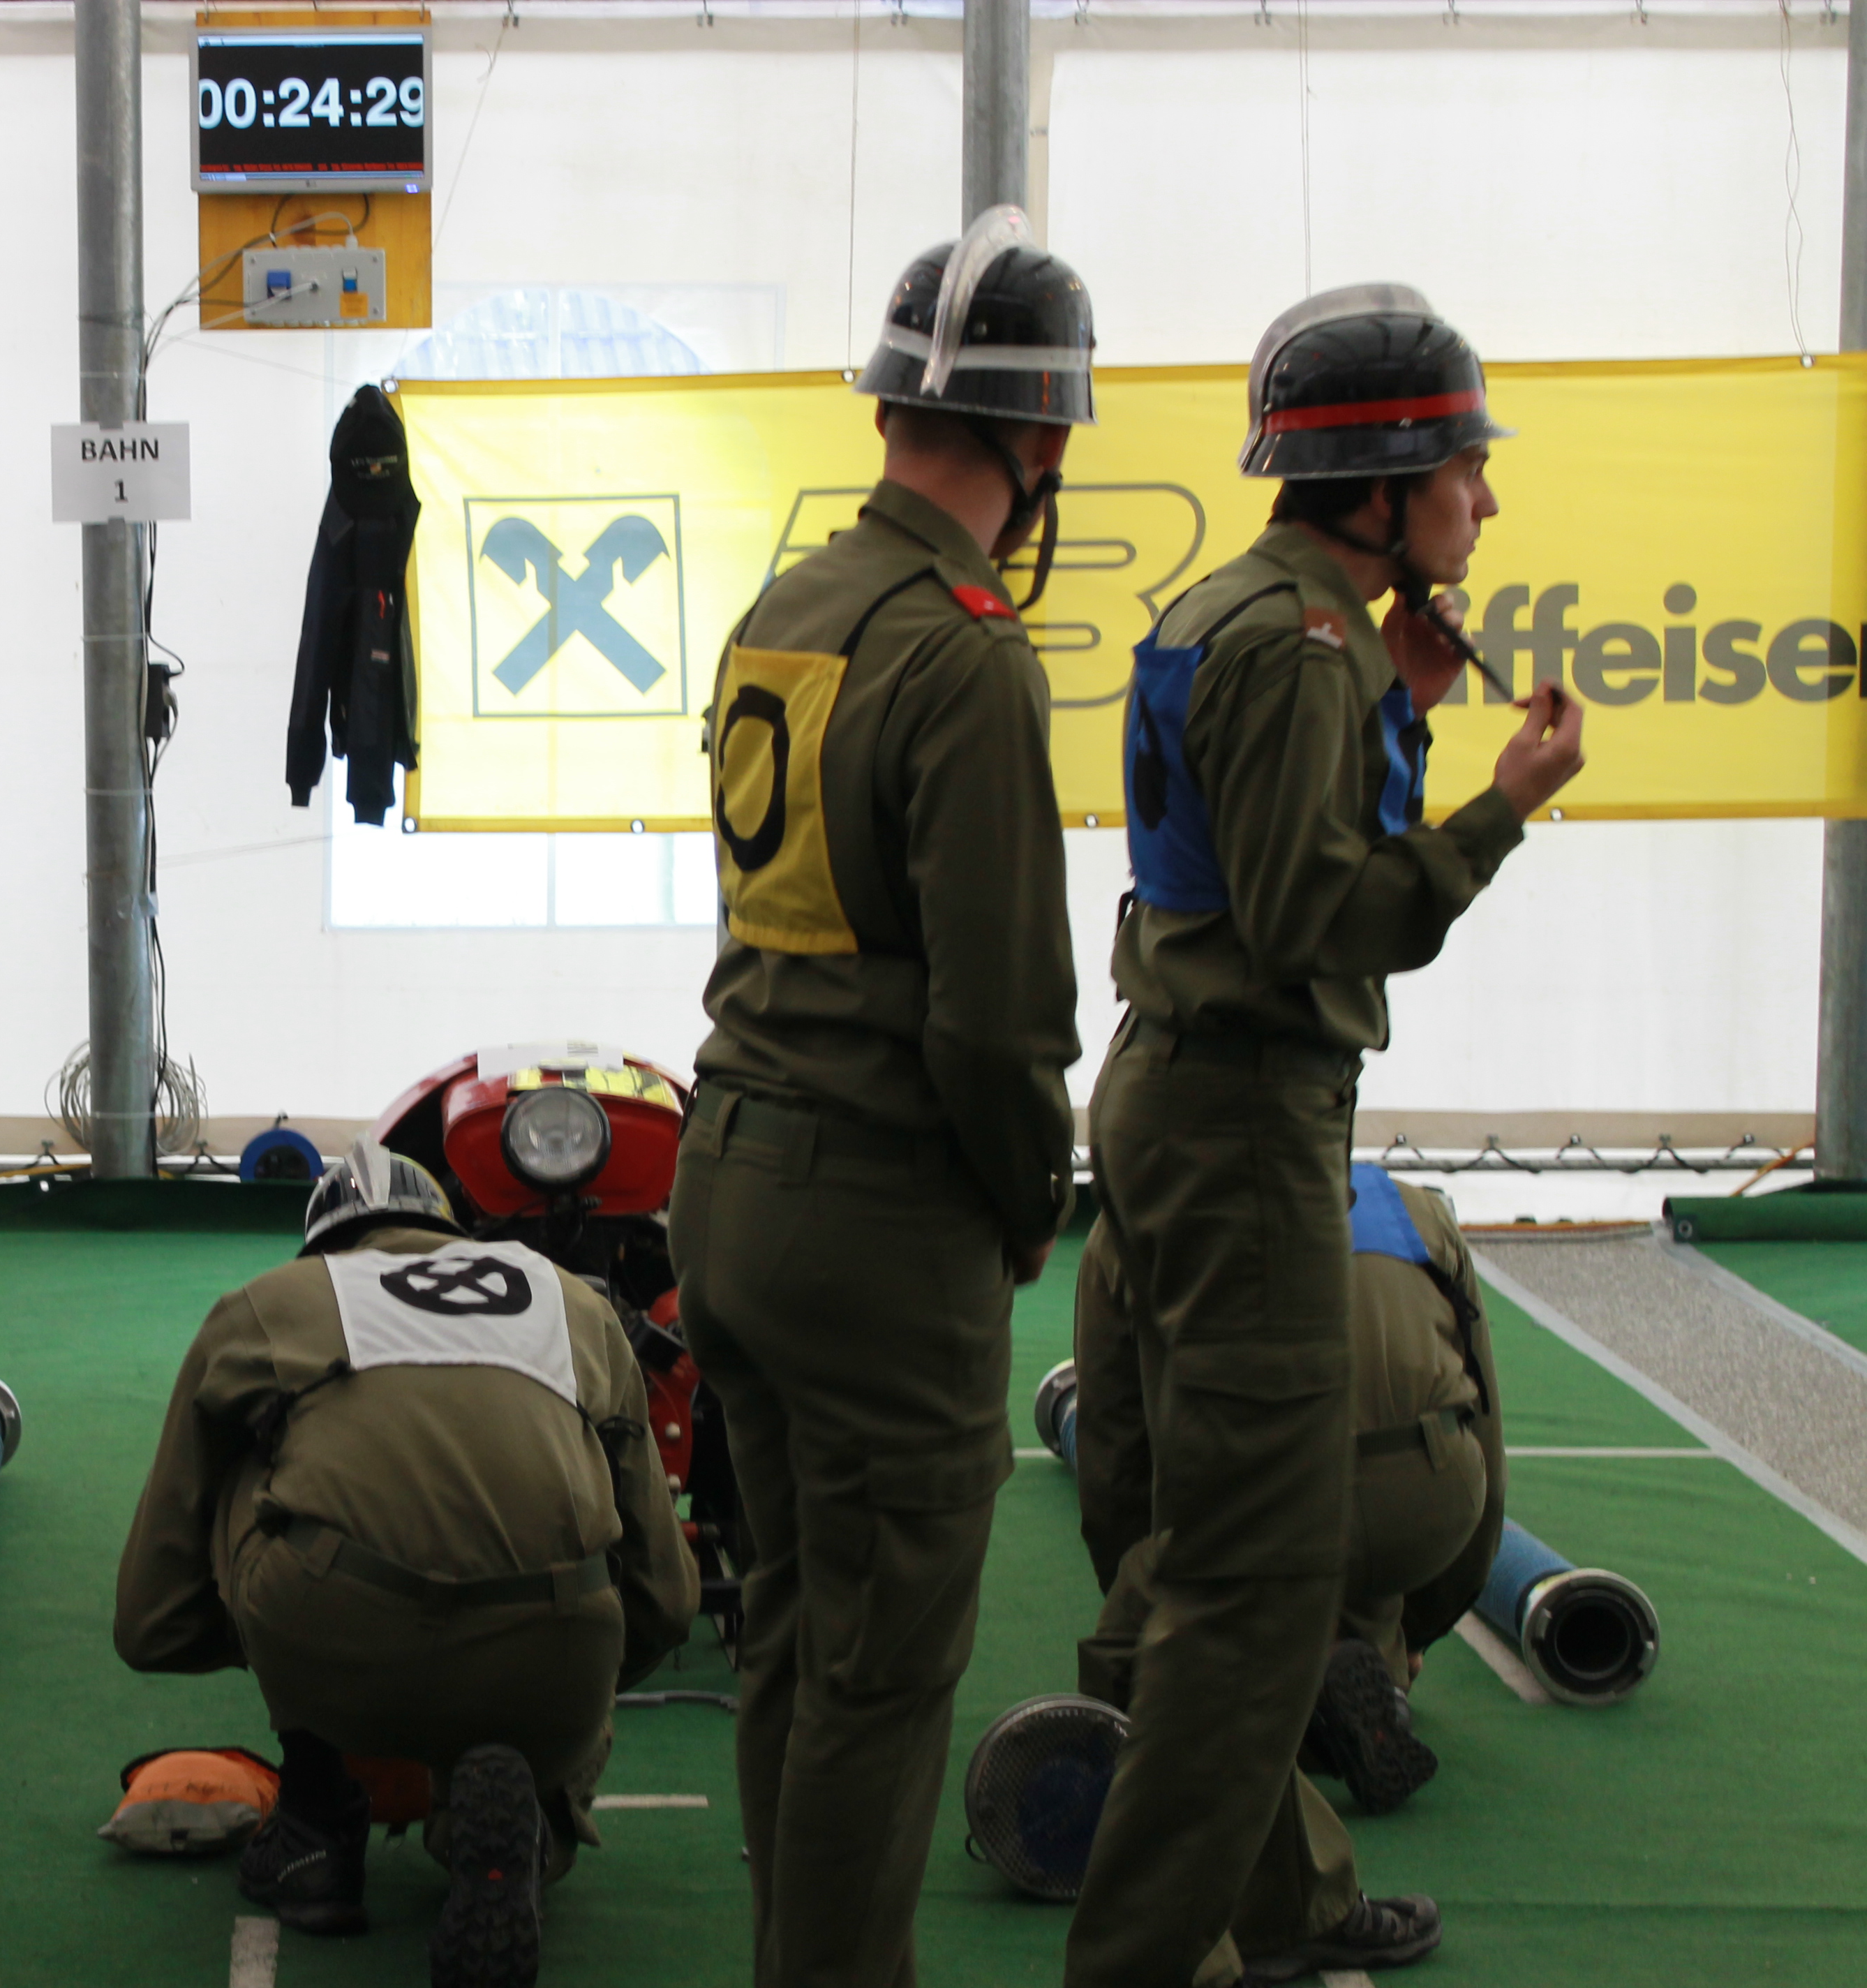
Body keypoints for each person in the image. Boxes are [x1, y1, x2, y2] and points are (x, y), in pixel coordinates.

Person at [1065, 286, 1584, 1988]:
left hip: (1184, 1089)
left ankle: (1279, 1899)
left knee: (1209, 1533)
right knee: (1260, 1571)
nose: (1483, 499)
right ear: (1377, 488)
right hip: (1243, 1121)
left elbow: (1257, 856)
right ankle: (1147, 1954)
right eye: (1460, 467)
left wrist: (1405, 710)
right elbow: (1319, 918)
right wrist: (1501, 806)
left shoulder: (1252, 612)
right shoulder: (1305, 646)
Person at [666, 205, 1087, 1988]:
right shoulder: (967, 648)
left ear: (889, 409)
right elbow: (1001, 1024)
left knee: (793, 1637)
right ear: (1042, 438)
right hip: (874, 1219)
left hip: (731, 1173)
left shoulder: (791, 603)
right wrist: (1026, 1200)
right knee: (882, 1677)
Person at [114, 1138, 697, 1988]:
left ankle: (315, 1824)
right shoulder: (574, 1302)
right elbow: (666, 1600)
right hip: (561, 1652)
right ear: (450, 1231)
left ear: (322, 1247)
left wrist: (258, 1646)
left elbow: (149, 1621)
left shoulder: (269, 1304)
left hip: (339, 1631)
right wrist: (586, 1697)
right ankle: (536, 1807)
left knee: (259, 1467)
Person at [1071, 1163, 1507, 1837]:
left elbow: (1115, 1455)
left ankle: (1258, 1708)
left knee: (1159, 1638)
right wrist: (1424, 1626)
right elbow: (1487, 1437)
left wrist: (1146, 1583)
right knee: (1355, 1563)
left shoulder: (1131, 1219)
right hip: (1430, 1497)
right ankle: (1372, 1676)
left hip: (1273, 1510)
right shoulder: (1417, 1211)